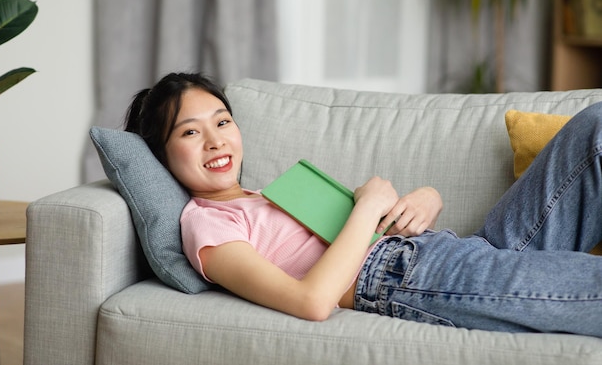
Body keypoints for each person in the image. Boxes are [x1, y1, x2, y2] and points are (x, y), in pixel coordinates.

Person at [126, 72, 602, 337]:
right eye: (190, 132)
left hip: (452, 249)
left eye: (222, 121)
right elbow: (312, 300)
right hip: (407, 280)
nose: (215, 140)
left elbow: (363, 236)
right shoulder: (205, 225)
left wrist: (424, 199)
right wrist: (366, 206)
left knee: (595, 128)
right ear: (161, 154)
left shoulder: (267, 194)